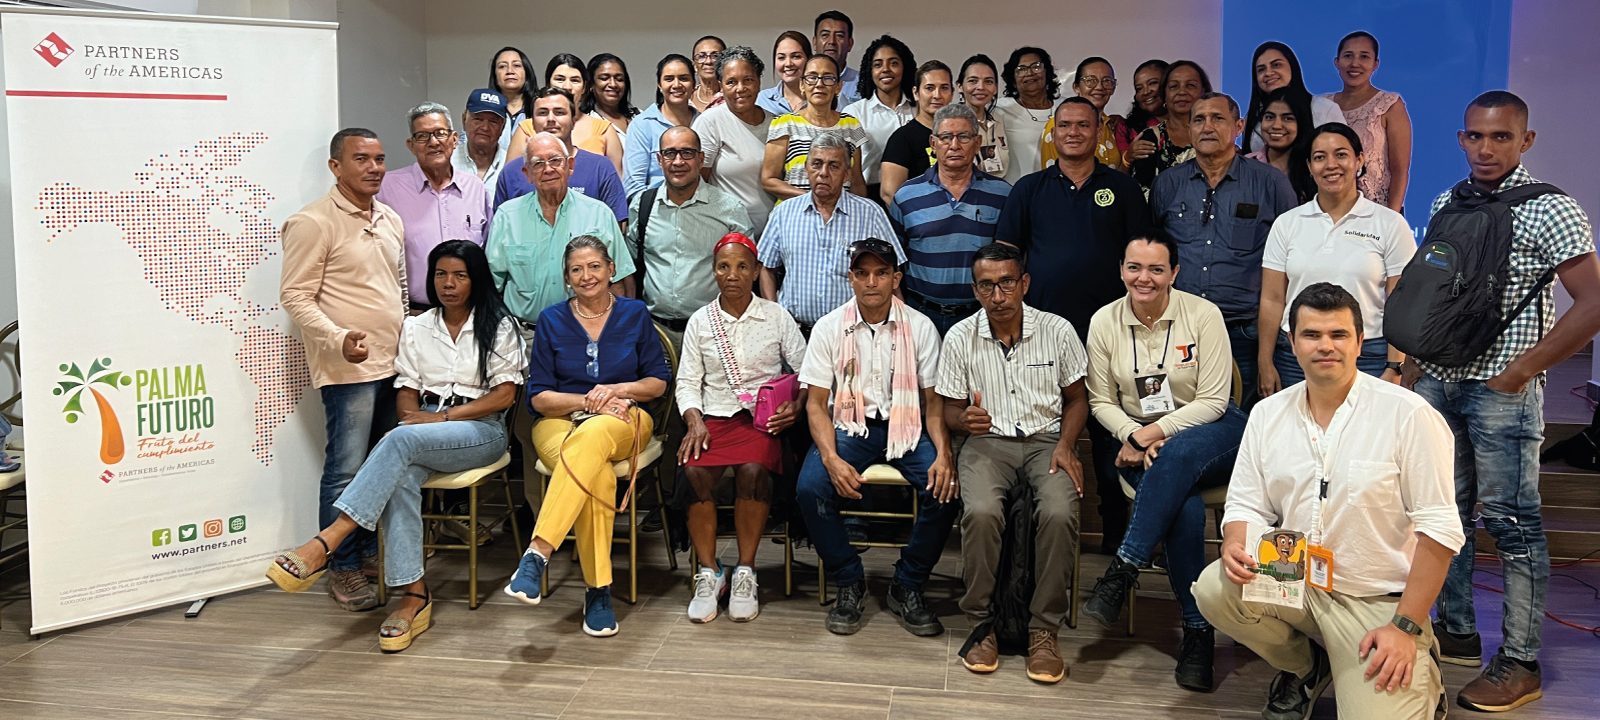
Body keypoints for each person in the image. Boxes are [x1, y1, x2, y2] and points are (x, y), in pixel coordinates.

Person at [1406, 91, 1600, 713]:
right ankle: (1457, 633)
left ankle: (1520, 663)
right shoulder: (1446, 201)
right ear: (1461, 139)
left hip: (1501, 392)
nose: (1486, 149)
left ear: (1526, 141)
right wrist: (1412, 366)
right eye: (1475, 137)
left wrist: (1520, 372)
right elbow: (1434, 293)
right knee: (1443, 517)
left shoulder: (1552, 209)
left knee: (1514, 528)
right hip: (1439, 381)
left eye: (1500, 138)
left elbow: (1593, 304)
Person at [1196, 282, 1464, 720]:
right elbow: (1245, 502)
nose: (1326, 346)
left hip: (1378, 601)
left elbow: (1440, 530)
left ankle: (1419, 657)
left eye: (1338, 335)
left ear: (1360, 342)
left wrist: (1404, 626)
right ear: (1292, 343)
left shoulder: (1409, 416)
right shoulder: (1267, 413)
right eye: (1312, 335)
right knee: (1214, 587)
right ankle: (1307, 667)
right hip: (1294, 577)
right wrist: (1233, 543)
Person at [266, 240, 524, 653]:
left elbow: (504, 396)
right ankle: (414, 597)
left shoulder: (498, 324)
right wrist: (414, 419)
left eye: (459, 275)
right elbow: (406, 391)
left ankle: (328, 540)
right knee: (400, 473)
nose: (448, 284)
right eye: (440, 274)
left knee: (399, 441)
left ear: (475, 279)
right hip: (422, 430)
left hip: (480, 431)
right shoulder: (418, 327)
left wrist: (438, 419)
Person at [1078, 233, 1245, 692]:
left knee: (1179, 456)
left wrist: (1152, 434)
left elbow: (1213, 400)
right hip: (1137, 438)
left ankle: (1124, 566)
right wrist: (1131, 432)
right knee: (1184, 502)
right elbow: (1099, 400)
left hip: (1212, 432)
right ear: (1121, 271)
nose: (1143, 278)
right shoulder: (1103, 322)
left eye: (1155, 269)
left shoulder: (1203, 314)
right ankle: (1197, 631)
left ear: (1174, 273)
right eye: (1134, 268)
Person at [996, 96, 1151, 550]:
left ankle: (1116, 534)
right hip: (1042, 333)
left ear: (1098, 131)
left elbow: (1141, 256)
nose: (1073, 133)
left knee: (1109, 434)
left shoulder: (1121, 189)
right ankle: (1028, 533)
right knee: (1042, 430)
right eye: (1065, 125)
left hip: (1109, 332)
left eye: (1084, 125)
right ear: (1053, 132)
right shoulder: (1028, 189)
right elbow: (1006, 257)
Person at [504, 236, 671, 638]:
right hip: (560, 420)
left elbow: (658, 383)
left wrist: (619, 392)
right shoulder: (551, 320)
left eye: (595, 266)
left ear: (612, 269)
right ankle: (598, 591)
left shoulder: (633, 314)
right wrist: (587, 400)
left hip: (625, 418)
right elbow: (540, 396)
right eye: (577, 269)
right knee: (592, 467)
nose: (587, 276)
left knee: (594, 436)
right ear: (566, 279)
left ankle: (539, 551)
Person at [939, 243, 1088, 684]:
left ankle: (1044, 630)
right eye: (987, 285)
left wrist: (1066, 444)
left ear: (1024, 283)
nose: (998, 295)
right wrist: (962, 419)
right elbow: (948, 409)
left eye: (1007, 283)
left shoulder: (1057, 330)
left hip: (1047, 440)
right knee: (981, 513)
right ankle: (981, 624)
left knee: (1060, 513)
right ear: (975, 289)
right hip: (988, 443)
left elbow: (1078, 399)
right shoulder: (960, 337)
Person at [795, 237, 954, 637]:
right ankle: (849, 580)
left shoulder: (920, 326)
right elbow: (816, 404)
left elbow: (933, 403)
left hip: (908, 425)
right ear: (851, 278)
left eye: (881, 273)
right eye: (862, 273)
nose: (872, 282)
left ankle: (908, 583)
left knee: (946, 489)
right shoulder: (830, 327)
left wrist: (944, 455)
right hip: (852, 427)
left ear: (895, 278)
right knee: (810, 488)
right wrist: (830, 458)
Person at [279, 128, 406, 613]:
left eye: (379, 158)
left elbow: (396, 285)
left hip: (394, 365)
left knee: (381, 464)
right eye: (361, 159)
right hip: (348, 368)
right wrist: (337, 337)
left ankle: (368, 552)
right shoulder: (312, 221)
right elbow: (294, 296)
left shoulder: (389, 217)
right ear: (336, 167)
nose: (374, 168)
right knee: (346, 469)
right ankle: (342, 566)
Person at [676, 233, 808, 623]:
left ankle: (746, 570)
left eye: (742, 266)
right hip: (713, 418)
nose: (732, 275)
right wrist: (693, 419)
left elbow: (805, 372)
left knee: (753, 471)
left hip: (761, 421)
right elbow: (687, 381)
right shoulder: (701, 321)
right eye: (723, 266)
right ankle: (709, 571)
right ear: (714, 271)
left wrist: (796, 408)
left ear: (754, 272)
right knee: (695, 471)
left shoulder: (776, 316)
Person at [1151, 91, 1298, 405]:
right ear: (1189, 129)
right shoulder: (1168, 184)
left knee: (1244, 430)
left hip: (1245, 334)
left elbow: (1292, 261)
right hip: (1179, 332)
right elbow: (1155, 257)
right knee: (1178, 424)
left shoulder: (1270, 183)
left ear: (1239, 126)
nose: (1207, 127)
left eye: (1218, 118)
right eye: (1199, 120)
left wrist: (1267, 356)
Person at [1257, 123, 1414, 397]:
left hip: (1369, 355)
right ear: (1309, 166)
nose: (1331, 165)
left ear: (1359, 160)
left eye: (1341, 155)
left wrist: (1395, 365)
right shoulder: (1287, 223)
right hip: (1296, 356)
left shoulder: (1389, 224)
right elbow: (1271, 299)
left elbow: (1402, 302)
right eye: (1319, 157)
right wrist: (1265, 361)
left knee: (1365, 437)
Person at [758, 133, 903, 332]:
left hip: (854, 332)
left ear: (847, 174)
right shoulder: (783, 213)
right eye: (816, 164)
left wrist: (899, 327)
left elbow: (892, 273)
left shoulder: (870, 213)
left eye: (834, 166)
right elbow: (766, 267)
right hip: (796, 332)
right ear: (806, 168)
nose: (823, 173)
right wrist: (774, 316)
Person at [889, 103, 1011, 335]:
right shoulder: (906, 195)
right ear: (933, 144)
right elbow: (893, 261)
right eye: (946, 137)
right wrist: (903, 311)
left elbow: (1013, 259)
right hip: (920, 316)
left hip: (982, 315)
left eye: (963, 137)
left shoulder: (1002, 194)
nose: (954, 145)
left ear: (977, 143)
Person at [628, 126, 752, 340]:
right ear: (659, 159)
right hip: (654, 331)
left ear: (701, 158)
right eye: (670, 153)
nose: (678, 162)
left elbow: (747, 272)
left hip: (714, 331)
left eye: (687, 153)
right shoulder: (643, 206)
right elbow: (629, 267)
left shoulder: (729, 209)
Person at [378, 102, 491, 312]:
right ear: (411, 145)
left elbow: (486, 250)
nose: (433, 142)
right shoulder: (387, 189)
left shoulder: (475, 188)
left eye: (440, 133)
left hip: (469, 314)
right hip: (413, 313)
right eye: (422, 136)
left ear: (454, 139)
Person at [493, 87, 629, 230]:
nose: (551, 119)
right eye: (543, 113)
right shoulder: (511, 172)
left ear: (573, 121)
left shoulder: (600, 168)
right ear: (532, 123)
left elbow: (616, 231)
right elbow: (501, 229)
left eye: (559, 112)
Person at [695, 46, 777, 237]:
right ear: (721, 86)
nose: (741, 89)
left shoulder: (776, 123)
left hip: (772, 233)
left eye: (748, 80)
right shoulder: (710, 122)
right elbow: (699, 183)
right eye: (731, 82)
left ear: (758, 82)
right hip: (728, 234)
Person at [762, 53, 868, 200]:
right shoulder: (785, 124)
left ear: (838, 87)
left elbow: (857, 182)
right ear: (802, 85)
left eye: (828, 78)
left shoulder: (851, 125)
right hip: (794, 214)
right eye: (812, 77)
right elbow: (769, 180)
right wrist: (813, 200)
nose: (819, 84)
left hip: (841, 216)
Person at [1325, 31, 1411, 211]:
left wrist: (1391, 219)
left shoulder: (1389, 105)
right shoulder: (1321, 105)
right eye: (1348, 56)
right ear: (1337, 62)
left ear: (1375, 64)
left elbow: (1400, 170)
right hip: (1330, 211)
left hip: (1377, 213)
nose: (1355, 63)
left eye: (1364, 57)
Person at [507, 54, 624, 175]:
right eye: (560, 79)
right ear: (548, 84)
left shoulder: (604, 130)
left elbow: (616, 182)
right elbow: (511, 179)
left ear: (584, 87)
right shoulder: (526, 129)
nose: (567, 87)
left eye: (575, 80)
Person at [840, 34, 916, 202]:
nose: (886, 69)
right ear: (870, 71)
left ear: (905, 68)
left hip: (917, 194)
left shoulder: (918, 110)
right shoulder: (854, 113)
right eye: (878, 64)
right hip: (871, 195)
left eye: (894, 63)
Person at [1244, 42, 1344, 154]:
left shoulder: (1324, 109)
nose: (1268, 73)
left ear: (1292, 67)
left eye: (1276, 65)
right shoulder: (1254, 116)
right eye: (1261, 69)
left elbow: (1343, 154)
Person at [623, 54, 698, 199]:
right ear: (659, 85)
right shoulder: (642, 125)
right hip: (655, 213)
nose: (677, 85)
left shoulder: (704, 122)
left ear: (694, 84)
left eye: (683, 78)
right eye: (669, 79)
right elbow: (634, 186)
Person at [1040, 57, 1135, 171]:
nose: (1099, 87)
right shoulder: (1058, 125)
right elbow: (1052, 178)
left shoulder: (1111, 125)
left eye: (1107, 81)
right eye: (1090, 80)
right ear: (1076, 87)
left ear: (1113, 87)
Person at [879, 60, 953, 206]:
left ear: (952, 94)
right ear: (916, 93)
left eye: (944, 88)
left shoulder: (959, 135)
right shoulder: (902, 138)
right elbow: (889, 194)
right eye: (929, 88)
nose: (937, 95)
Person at [1130, 60, 1211, 192]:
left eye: (1190, 85)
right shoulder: (1150, 138)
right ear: (1164, 95)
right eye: (1174, 86)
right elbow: (1141, 193)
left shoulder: (1216, 135)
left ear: (1204, 91)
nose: (1182, 92)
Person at [994, 47, 1057, 184]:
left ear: (1047, 72)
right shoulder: (1000, 109)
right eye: (1021, 69)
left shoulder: (1065, 109)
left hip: (1058, 192)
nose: (1029, 73)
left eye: (1036, 67)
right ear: (1013, 80)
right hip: (1014, 192)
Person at [1243, 88, 1315, 202]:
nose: (1276, 125)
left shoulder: (1314, 166)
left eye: (1287, 118)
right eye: (1269, 117)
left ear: (1302, 123)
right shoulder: (1245, 165)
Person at [958, 54, 1008, 178]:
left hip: (998, 193)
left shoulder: (999, 121)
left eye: (988, 81)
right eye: (973, 81)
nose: (981, 87)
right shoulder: (952, 124)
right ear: (960, 86)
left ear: (995, 88)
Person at [453, 88, 509, 189]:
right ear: (464, 120)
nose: (485, 127)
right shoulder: (447, 162)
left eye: (493, 121)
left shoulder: (510, 166)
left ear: (503, 127)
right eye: (478, 119)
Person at [488, 47, 536, 152]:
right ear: (495, 76)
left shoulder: (539, 109)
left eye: (517, 65)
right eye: (502, 66)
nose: (510, 71)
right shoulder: (484, 109)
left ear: (527, 73)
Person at [756, 31, 812, 118]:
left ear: (809, 59)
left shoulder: (819, 97)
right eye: (781, 57)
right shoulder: (763, 99)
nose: (788, 63)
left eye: (796, 56)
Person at [585, 53, 639, 141]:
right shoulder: (587, 122)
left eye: (619, 79)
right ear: (591, 84)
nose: (613, 84)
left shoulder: (639, 116)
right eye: (604, 78)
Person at [812, 9, 861, 106]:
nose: (832, 41)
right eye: (825, 35)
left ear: (850, 44)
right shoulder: (805, 81)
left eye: (839, 36)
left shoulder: (863, 82)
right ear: (814, 42)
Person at [689, 35, 726, 113]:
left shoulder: (732, 97)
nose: (708, 61)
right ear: (694, 65)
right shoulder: (687, 97)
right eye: (702, 56)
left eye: (715, 56)